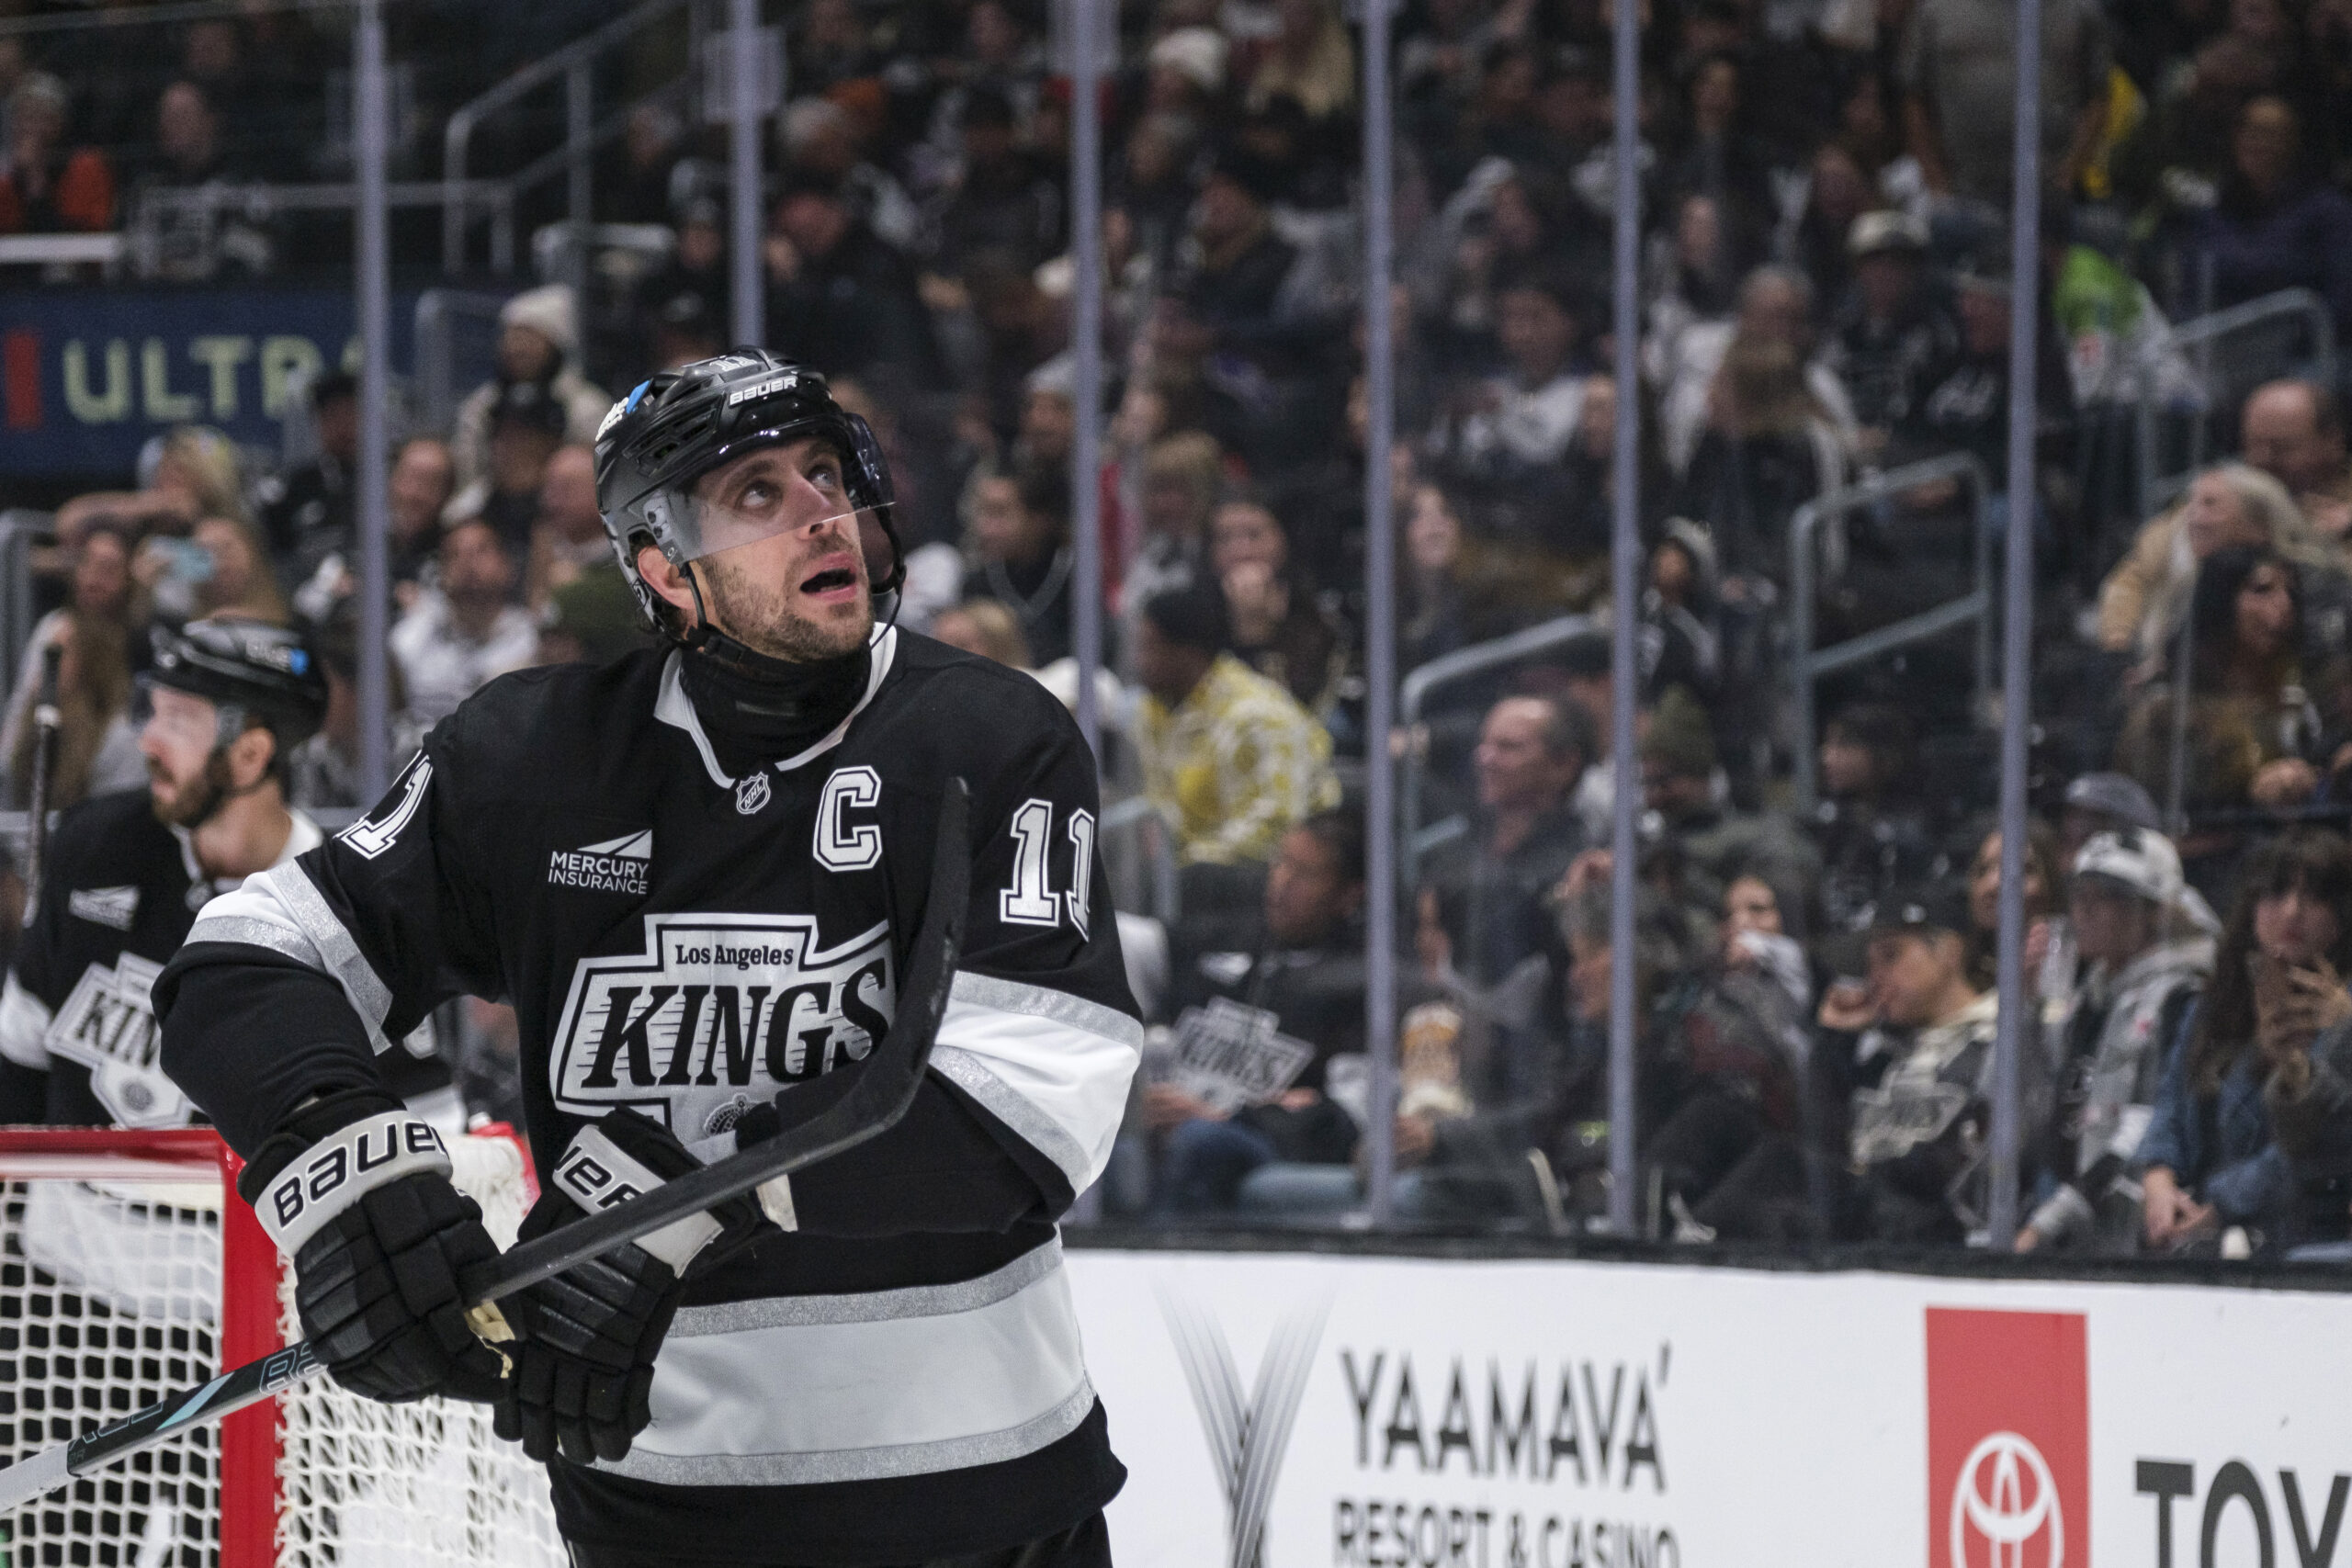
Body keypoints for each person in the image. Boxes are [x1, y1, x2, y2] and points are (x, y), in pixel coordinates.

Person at [154, 353, 1137, 1567]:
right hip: (655, 1516)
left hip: (981, 1509)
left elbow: (1032, 1099)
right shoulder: (534, 757)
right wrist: (346, 1172)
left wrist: (684, 1201)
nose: (824, 510)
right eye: (759, 493)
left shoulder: (990, 734)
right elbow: (245, 954)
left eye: (826, 472)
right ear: (668, 570)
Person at [0, 617, 453, 1126]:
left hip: (235, 1207)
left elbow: (428, 1120)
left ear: (249, 755)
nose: (148, 740)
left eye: (178, 720)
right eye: (154, 712)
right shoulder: (94, 845)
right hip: (68, 1200)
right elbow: (19, 1052)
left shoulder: (351, 911)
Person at [2139, 829, 2352, 1251]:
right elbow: (2169, 1111)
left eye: (2313, 898)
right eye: (2276, 893)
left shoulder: (2345, 1014)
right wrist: (2158, 1182)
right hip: (2200, 1233)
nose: (2292, 912)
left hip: (2307, 1240)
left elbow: (2309, 1150)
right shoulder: (2212, 1005)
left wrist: (2218, 1206)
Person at [1148, 808, 1370, 1211]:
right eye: (1281, 863)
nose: (1281, 883)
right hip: (1174, 1124)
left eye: (1304, 874)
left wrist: (1224, 1118)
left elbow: (1345, 1122)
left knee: (1201, 1142)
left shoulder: (1360, 984)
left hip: (1255, 1143)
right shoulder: (1226, 941)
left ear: (1349, 895)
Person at [2017, 829, 2213, 1253]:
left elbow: (2147, 1125)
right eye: (2079, 894)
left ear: (2154, 912)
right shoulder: (2090, 997)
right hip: (2075, 1223)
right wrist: (2027, 1008)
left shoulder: (2182, 997)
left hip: (2133, 1233)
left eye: (2105, 896)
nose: (2083, 909)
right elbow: (2044, 1103)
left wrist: (2051, 1222)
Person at [1821, 880, 2036, 1244]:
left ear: (1950, 952)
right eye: (1867, 964)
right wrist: (1833, 1038)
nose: (1875, 978)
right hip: (1861, 1228)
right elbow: (1822, 1142)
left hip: (1942, 1233)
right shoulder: (1875, 1056)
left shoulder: (2002, 1037)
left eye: (1890, 956)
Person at [1131, 581, 1341, 866]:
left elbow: (1275, 830)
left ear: (1188, 653)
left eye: (1149, 648)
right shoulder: (1153, 712)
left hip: (1268, 878)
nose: (1137, 661)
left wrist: (1187, 865)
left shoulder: (1260, 717)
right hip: (1185, 879)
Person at [449, 285, 613, 491]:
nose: (517, 347)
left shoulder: (589, 408)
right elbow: (468, 475)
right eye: (512, 336)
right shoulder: (481, 405)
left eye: (529, 337)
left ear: (555, 343)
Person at [389, 519, 540, 728]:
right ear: (440, 574)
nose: (468, 562)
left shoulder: (531, 639)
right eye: (454, 555)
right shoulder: (413, 634)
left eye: (481, 551)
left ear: (508, 567)